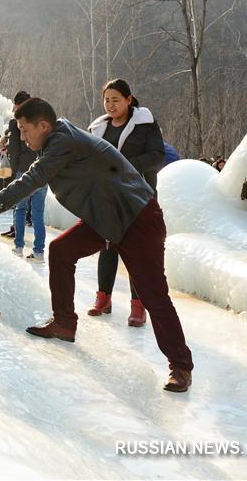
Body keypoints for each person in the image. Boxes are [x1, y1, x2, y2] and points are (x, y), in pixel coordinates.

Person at [0, 98, 194, 392]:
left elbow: (33, 179)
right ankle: (64, 322)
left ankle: (181, 366)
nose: (21, 137)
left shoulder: (62, 142)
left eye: (24, 130)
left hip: (137, 219)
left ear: (43, 125)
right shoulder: (56, 139)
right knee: (61, 251)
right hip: (106, 218)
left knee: (152, 294)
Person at [86, 79, 165, 328]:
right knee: (107, 246)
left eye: (116, 99)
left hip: (139, 195)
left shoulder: (145, 125)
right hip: (109, 196)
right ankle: (103, 298)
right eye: (107, 100)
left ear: (129, 99)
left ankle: (138, 305)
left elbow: (157, 155)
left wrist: (126, 167)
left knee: (137, 251)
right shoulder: (99, 128)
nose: (110, 104)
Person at [7, 91, 46, 260]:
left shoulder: (16, 122)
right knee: (38, 212)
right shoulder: (43, 121)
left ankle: (19, 246)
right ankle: (38, 251)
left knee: (20, 209)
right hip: (42, 170)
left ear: (17, 105)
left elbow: (14, 148)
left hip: (23, 170)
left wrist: (13, 170)